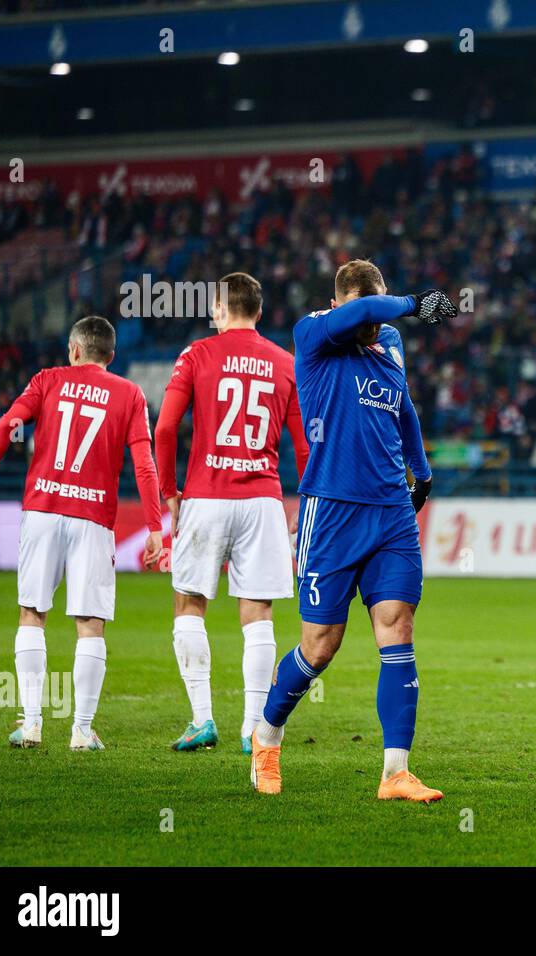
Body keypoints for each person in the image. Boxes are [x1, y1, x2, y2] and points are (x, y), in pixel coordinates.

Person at [248, 260, 456, 801]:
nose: (374, 322)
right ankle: (267, 735)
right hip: (332, 512)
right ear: (340, 304)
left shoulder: (386, 341)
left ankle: (395, 773)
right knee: (320, 646)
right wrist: (417, 301)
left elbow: (403, 404)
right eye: (367, 309)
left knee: (398, 627)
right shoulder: (313, 334)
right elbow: (367, 309)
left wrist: (423, 471)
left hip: (390, 511)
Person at [0, 316, 163, 751]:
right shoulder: (129, 393)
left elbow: (5, 424)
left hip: (43, 509)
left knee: (31, 613)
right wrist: (154, 526)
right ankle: (81, 730)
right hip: (93, 518)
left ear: (74, 350)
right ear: (111, 357)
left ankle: (33, 724)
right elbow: (144, 464)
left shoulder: (48, 379)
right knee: (90, 623)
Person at [154, 272, 310, 754]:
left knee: (189, 603)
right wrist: (304, 504)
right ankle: (251, 729)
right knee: (258, 611)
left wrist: (169, 494)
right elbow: (305, 445)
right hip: (263, 499)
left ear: (219, 310)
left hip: (206, 495)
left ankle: (202, 720)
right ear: (259, 313)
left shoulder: (197, 355)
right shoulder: (286, 362)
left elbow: (163, 429)